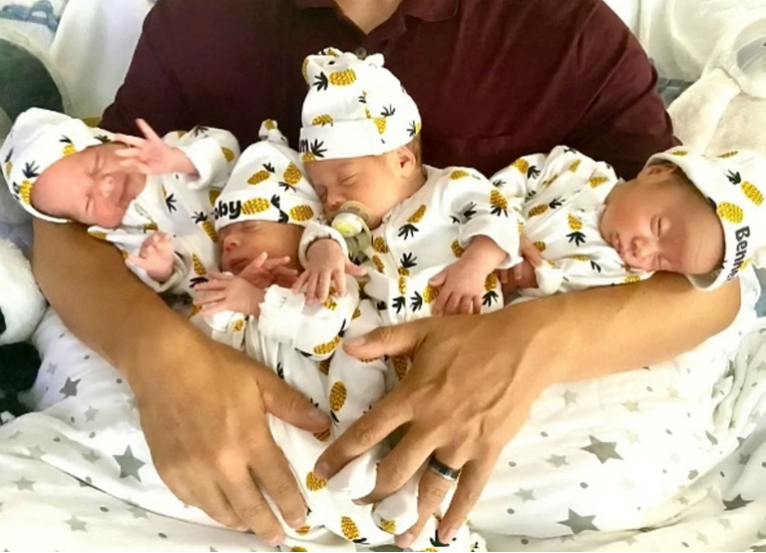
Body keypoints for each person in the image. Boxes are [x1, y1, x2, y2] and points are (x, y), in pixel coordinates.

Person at [29, 0, 742, 549]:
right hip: (245, 356)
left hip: (511, 389)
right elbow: (63, 217)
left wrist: (532, 344)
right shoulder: (199, 20)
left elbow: (709, 276)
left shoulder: (565, 30)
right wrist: (163, 361)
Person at [190, 122, 486, 551]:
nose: (231, 241)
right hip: (289, 468)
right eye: (224, 238)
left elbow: (324, 332)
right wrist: (225, 307)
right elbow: (205, 355)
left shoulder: (322, 282)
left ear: (301, 232)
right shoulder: (239, 298)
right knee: (302, 519)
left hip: (343, 443)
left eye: (250, 227)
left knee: (409, 500)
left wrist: (258, 301)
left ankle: (428, 526)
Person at [294, 48, 525, 318]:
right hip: (386, 335)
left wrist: (473, 267)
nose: (332, 199)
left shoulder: (450, 186)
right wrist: (325, 251)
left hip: (465, 320)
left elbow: (499, 217)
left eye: (347, 179)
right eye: (321, 191)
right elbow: (317, 233)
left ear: (402, 161)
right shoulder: (349, 232)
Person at [1, 107, 240, 295]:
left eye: (96, 165)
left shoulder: (167, 150)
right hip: (226, 293)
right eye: (88, 202)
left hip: (255, 231)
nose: (105, 186)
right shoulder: (124, 236)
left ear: (111, 142)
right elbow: (159, 284)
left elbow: (228, 145)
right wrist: (160, 270)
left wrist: (184, 160)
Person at [491, 145, 766, 298]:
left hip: (493, 287)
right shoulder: (579, 171)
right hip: (479, 223)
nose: (642, 251)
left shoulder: (619, 269)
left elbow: (566, 286)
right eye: (657, 227)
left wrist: (535, 275)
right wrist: (500, 226)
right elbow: (518, 176)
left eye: (661, 261)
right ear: (655, 173)